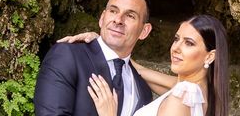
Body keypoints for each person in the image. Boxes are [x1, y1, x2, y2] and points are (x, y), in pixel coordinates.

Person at [63, 14, 229, 116]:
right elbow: (140, 70)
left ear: (210, 56)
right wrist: (102, 45)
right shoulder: (199, 91)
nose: (176, 48)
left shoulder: (182, 97)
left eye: (189, 43)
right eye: (177, 39)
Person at [33, 0, 154, 116]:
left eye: (130, 16)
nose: (118, 20)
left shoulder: (143, 91)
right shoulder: (67, 56)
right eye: (113, 11)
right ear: (102, 18)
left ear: (144, 31)